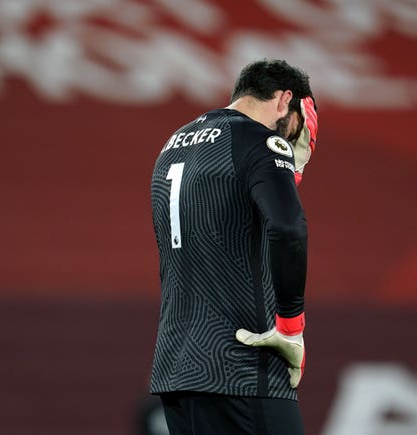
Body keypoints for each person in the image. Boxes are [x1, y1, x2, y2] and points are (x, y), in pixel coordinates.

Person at [149, 59, 318, 435]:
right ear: (285, 100)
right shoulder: (260, 141)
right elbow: (288, 227)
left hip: (177, 370)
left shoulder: (173, 144)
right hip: (242, 366)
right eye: (297, 124)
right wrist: (291, 328)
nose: (293, 139)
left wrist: (291, 173)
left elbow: (230, 222)